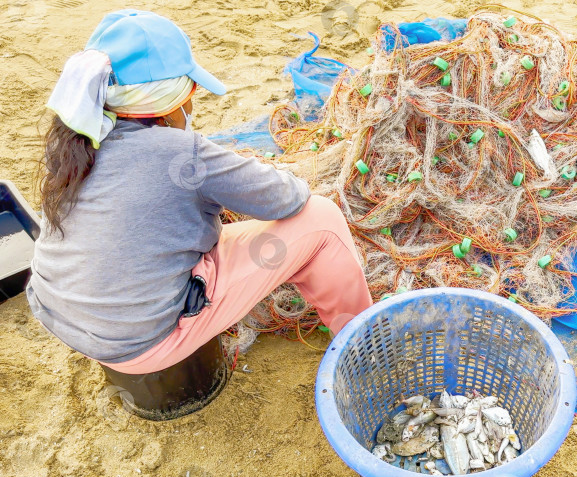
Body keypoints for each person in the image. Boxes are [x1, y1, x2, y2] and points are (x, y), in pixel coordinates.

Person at [27, 9, 373, 375]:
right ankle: (363, 344)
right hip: (139, 345)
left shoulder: (70, 138)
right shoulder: (183, 153)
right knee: (322, 219)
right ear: (169, 102)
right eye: (190, 91)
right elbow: (287, 198)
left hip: (59, 315)